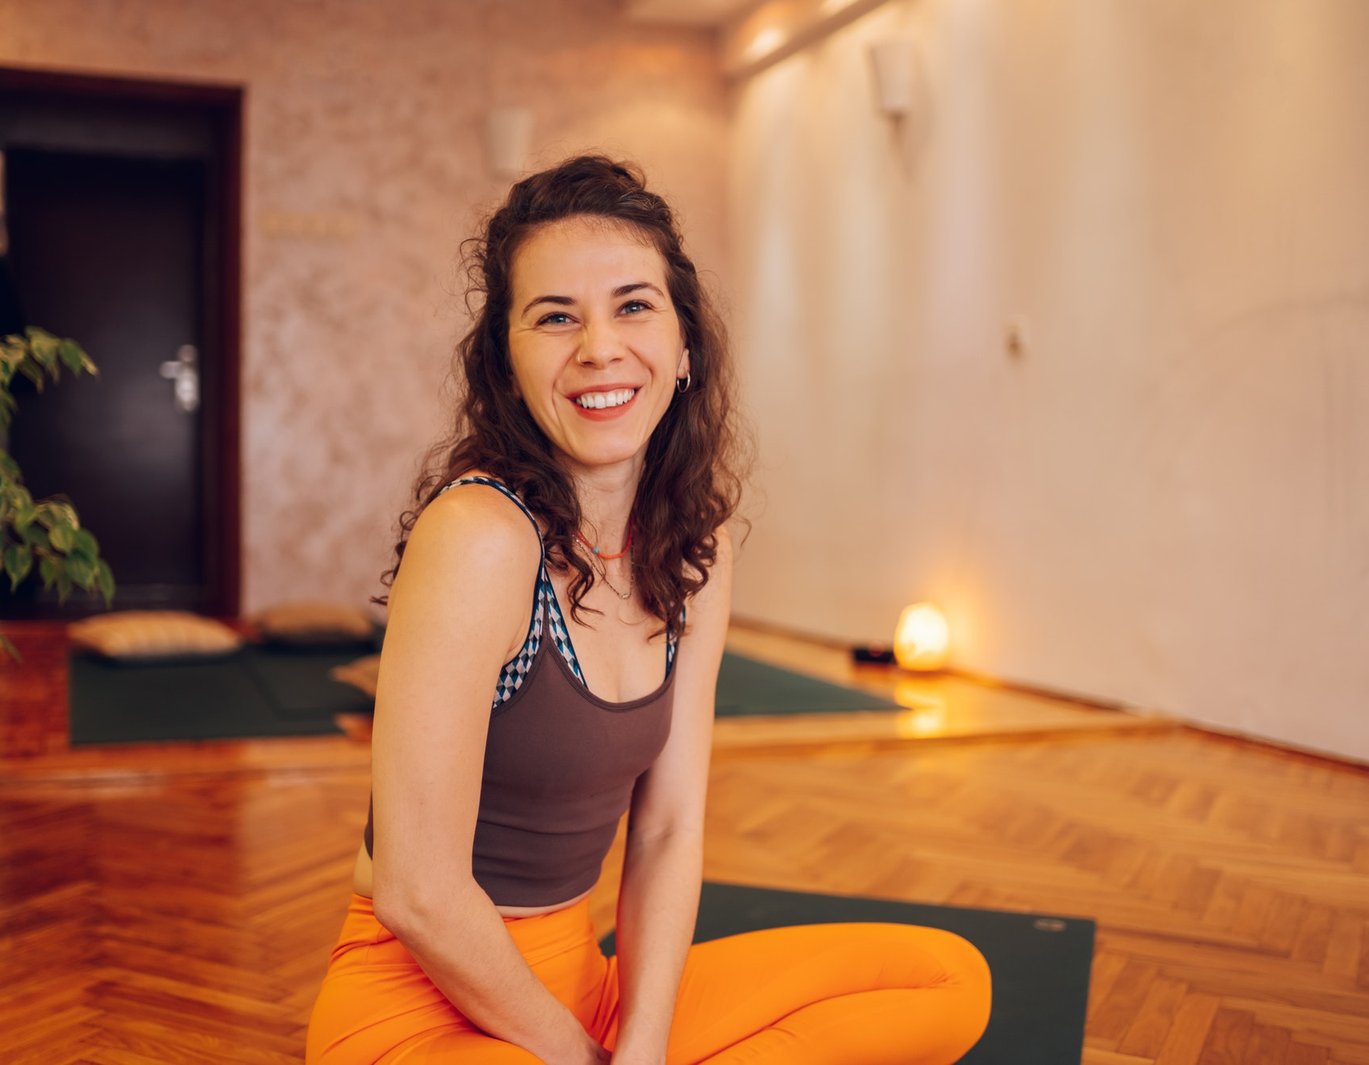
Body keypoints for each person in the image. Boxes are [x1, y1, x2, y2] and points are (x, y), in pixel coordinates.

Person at [307, 155, 992, 1064]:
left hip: (578, 982)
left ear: (685, 346)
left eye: (633, 305)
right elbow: (417, 890)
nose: (599, 347)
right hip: (420, 998)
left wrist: (643, 1041)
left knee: (946, 981)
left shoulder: (694, 558)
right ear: (507, 364)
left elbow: (668, 829)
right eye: (555, 317)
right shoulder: (479, 533)